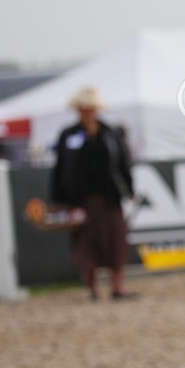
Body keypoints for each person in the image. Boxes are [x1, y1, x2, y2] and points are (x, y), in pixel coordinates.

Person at [50, 87, 136, 301]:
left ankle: (118, 287)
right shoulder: (68, 134)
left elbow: (123, 163)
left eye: (90, 108)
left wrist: (129, 188)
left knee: (115, 241)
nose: (87, 112)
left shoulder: (110, 133)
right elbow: (60, 168)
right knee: (87, 244)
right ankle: (93, 289)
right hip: (81, 198)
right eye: (84, 108)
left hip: (110, 196)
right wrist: (57, 198)